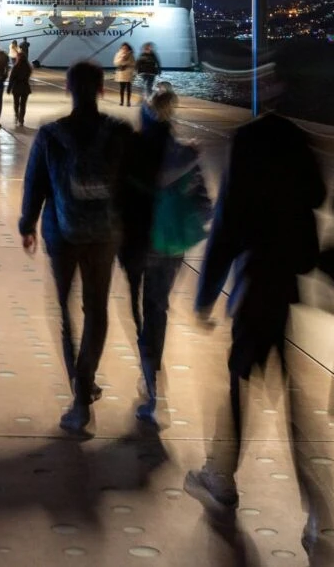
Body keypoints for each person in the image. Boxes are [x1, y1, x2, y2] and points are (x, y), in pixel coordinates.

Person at [184, 75, 332, 549]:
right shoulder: (298, 140)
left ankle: (220, 476)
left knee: (239, 383)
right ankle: (316, 507)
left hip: (253, 283)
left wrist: (207, 294)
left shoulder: (245, 141)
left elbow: (227, 222)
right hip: (287, 281)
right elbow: (317, 196)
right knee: (289, 394)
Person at [18, 62, 133, 433]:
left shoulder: (52, 134)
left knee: (66, 312)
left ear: (68, 89)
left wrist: (27, 224)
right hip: (105, 233)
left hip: (62, 231)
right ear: (102, 89)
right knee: (97, 309)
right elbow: (135, 186)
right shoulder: (119, 132)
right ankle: (87, 379)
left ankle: (80, 397)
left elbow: (35, 183)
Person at [120, 84, 208, 424]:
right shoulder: (187, 154)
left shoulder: (132, 151)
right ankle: (152, 379)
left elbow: (119, 198)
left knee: (138, 310)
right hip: (170, 244)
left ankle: (150, 371)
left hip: (137, 243)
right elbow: (204, 205)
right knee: (157, 308)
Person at [8, 44, 33, 127]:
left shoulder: (15, 67)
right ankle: (21, 119)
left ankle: (16, 115)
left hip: (16, 87)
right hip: (25, 87)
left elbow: (11, 79)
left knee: (16, 103)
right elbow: (28, 77)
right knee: (23, 104)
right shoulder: (28, 67)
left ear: (18, 58)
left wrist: (9, 88)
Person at [113, 42, 136, 106]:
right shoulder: (118, 54)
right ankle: (121, 101)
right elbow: (115, 63)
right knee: (122, 88)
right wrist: (121, 59)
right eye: (123, 48)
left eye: (126, 48)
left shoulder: (131, 55)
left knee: (129, 88)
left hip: (128, 73)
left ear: (128, 48)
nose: (124, 49)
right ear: (121, 48)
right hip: (121, 73)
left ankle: (128, 102)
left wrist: (127, 63)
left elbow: (134, 63)